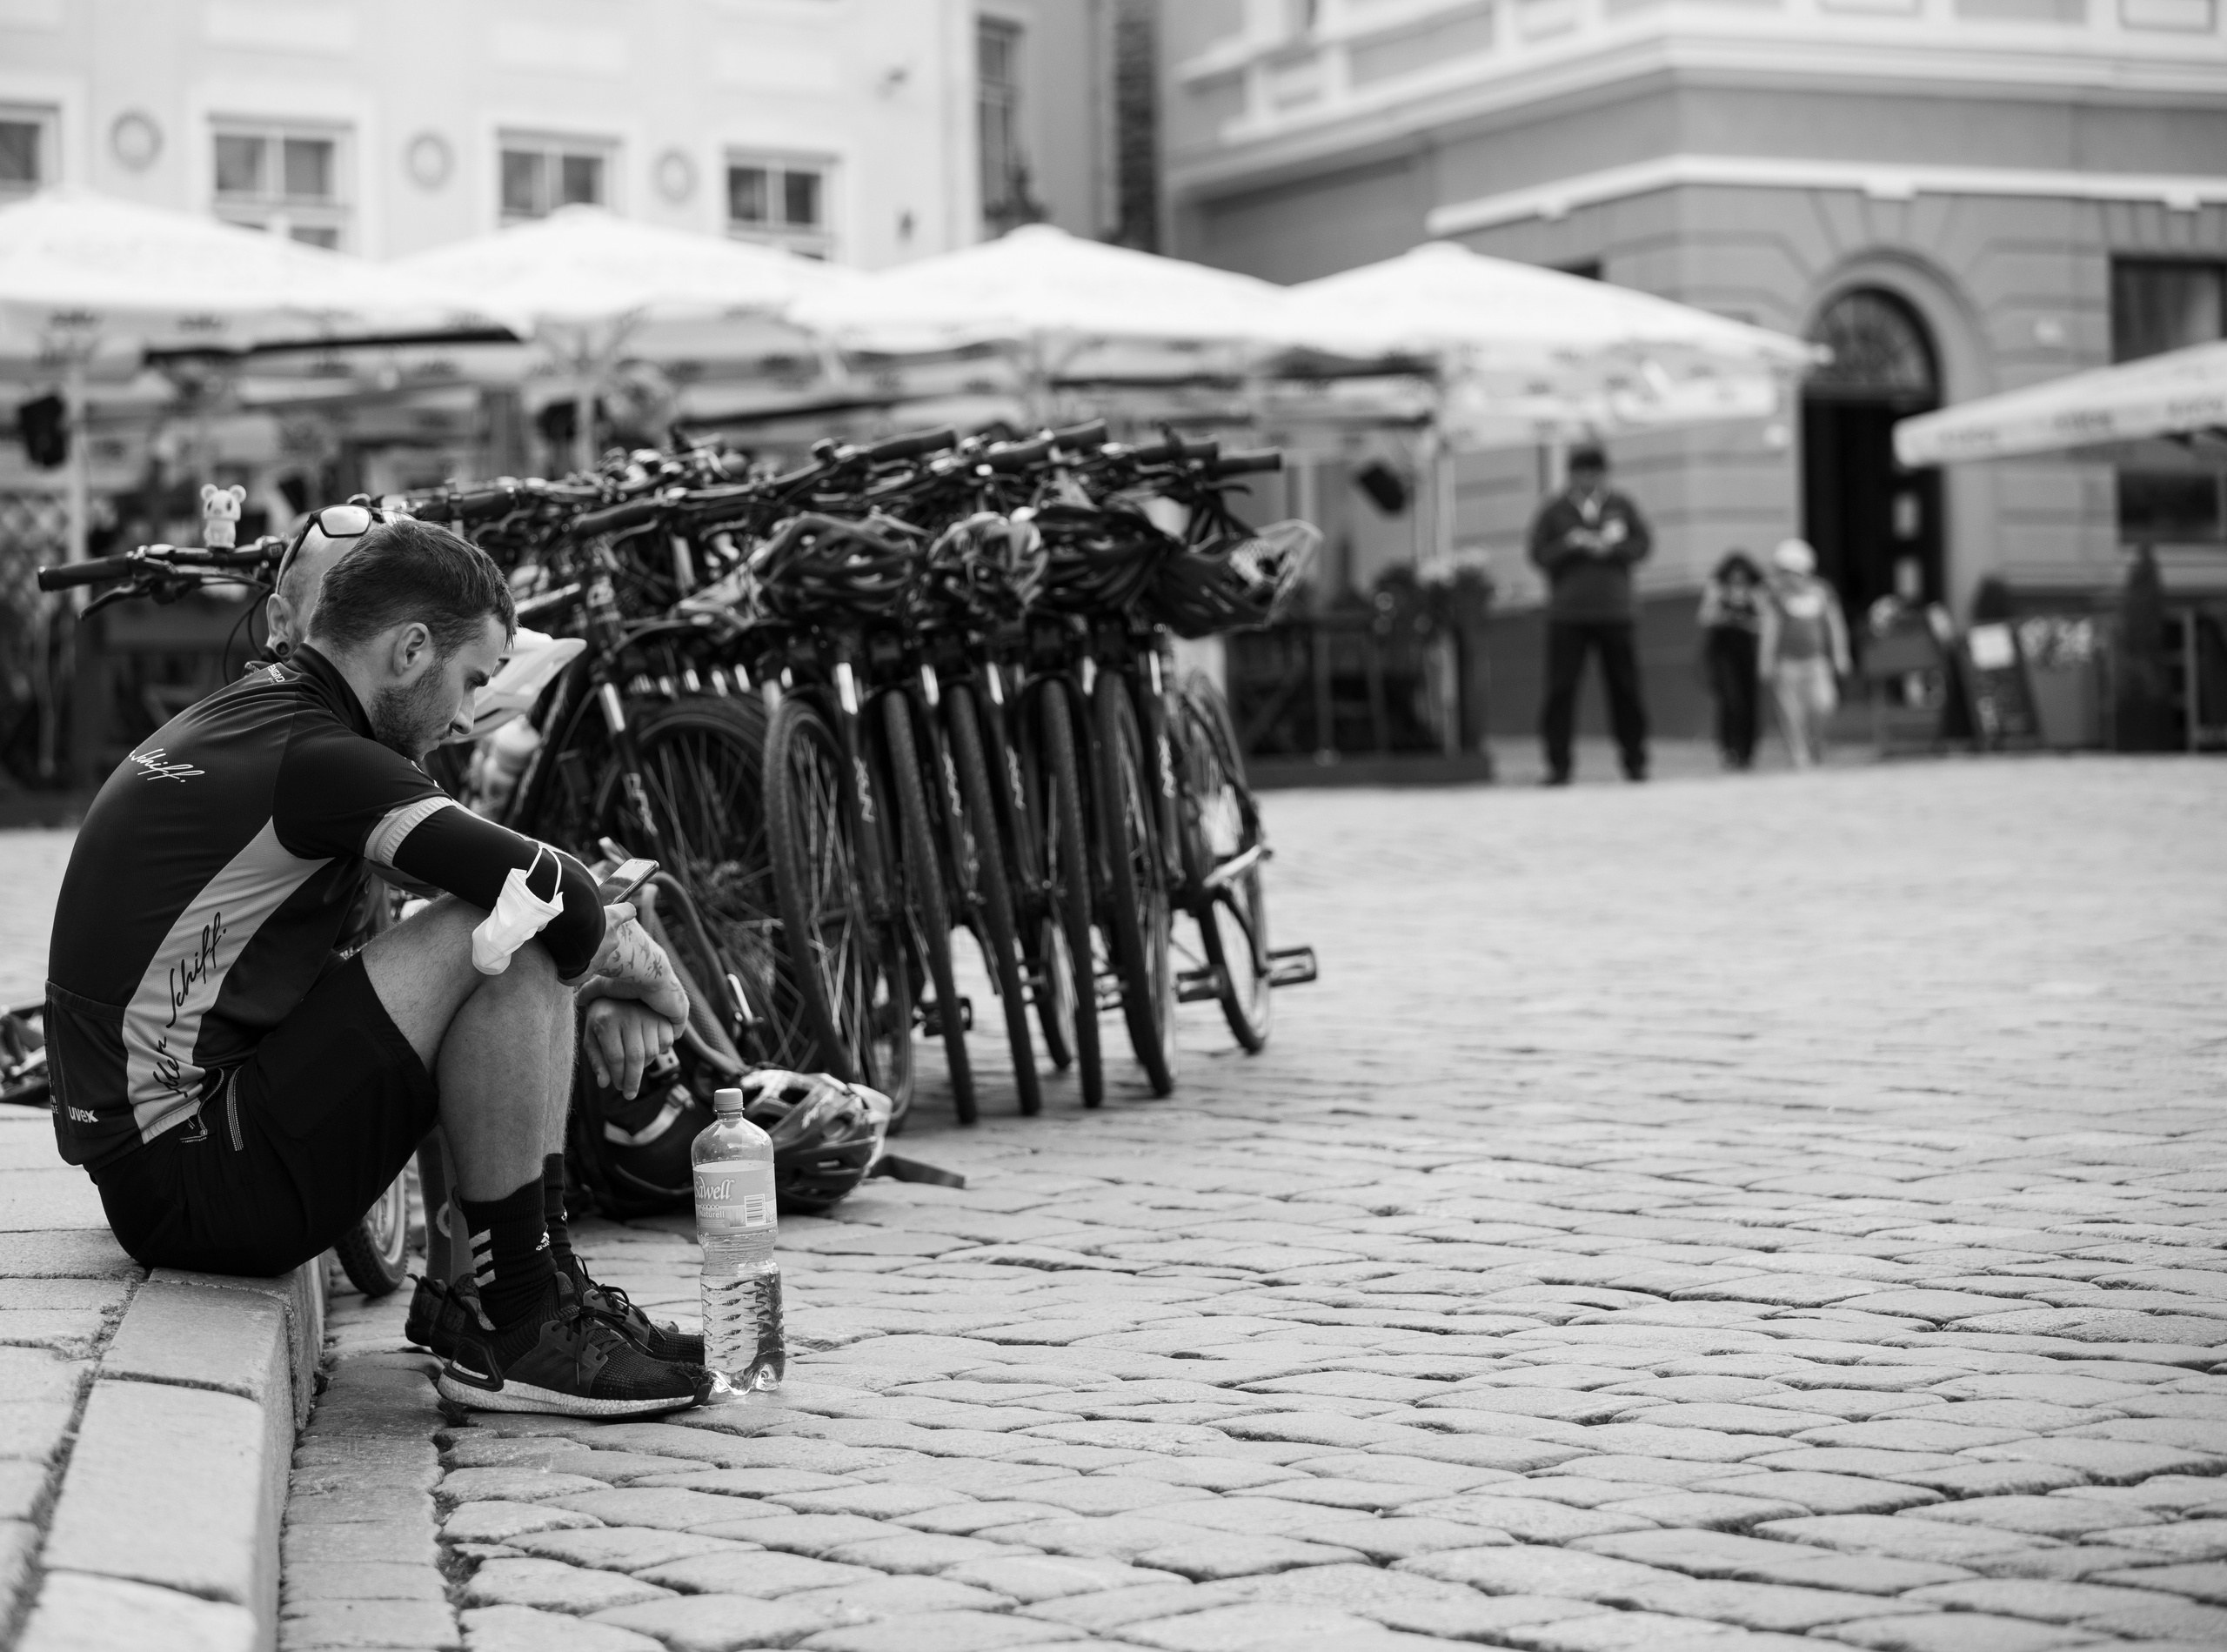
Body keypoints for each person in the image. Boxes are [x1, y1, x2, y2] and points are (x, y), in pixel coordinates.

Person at [43, 516, 712, 1419]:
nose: (470, 715)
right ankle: (521, 1317)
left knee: (498, 921)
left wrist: (589, 957)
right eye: (471, 680)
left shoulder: (260, 715)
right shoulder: (324, 757)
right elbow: (555, 893)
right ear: (408, 650)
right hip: (203, 1182)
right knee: (506, 922)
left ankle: (531, 1290)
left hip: (163, 1165)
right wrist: (650, 978)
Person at [1528, 444, 1654, 784]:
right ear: (1571, 475)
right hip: (1568, 614)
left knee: (1625, 689)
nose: (1588, 479)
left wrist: (1611, 548)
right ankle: (1558, 764)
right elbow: (1538, 555)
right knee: (1561, 690)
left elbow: (1642, 546)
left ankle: (1635, 760)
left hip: (1615, 611)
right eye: (1582, 473)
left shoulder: (1621, 505)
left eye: (1594, 473)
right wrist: (1570, 544)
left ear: (1603, 475)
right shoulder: (1555, 510)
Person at [1760, 538, 1852, 769]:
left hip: (1817, 662)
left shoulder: (1822, 591)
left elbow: (1835, 624)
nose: (1783, 577)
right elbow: (1770, 629)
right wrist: (1766, 660)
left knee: (1825, 704)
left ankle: (1817, 743)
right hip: (1787, 664)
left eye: (1787, 571)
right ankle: (1799, 756)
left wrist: (1840, 654)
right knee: (1791, 715)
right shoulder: (1776, 595)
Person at [1697, 550, 1766, 770]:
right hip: (1723, 654)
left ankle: (1747, 750)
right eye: (1733, 575)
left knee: (1749, 702)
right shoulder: (1717, 590)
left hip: (1749, 653)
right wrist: (1726, 617)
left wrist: (1746, 622)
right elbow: (1705, 618)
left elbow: (1765, 622)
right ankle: (1728, 748)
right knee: (1729, 701)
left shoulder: (1756, 592)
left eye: (1742, 575)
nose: (1737, 579)